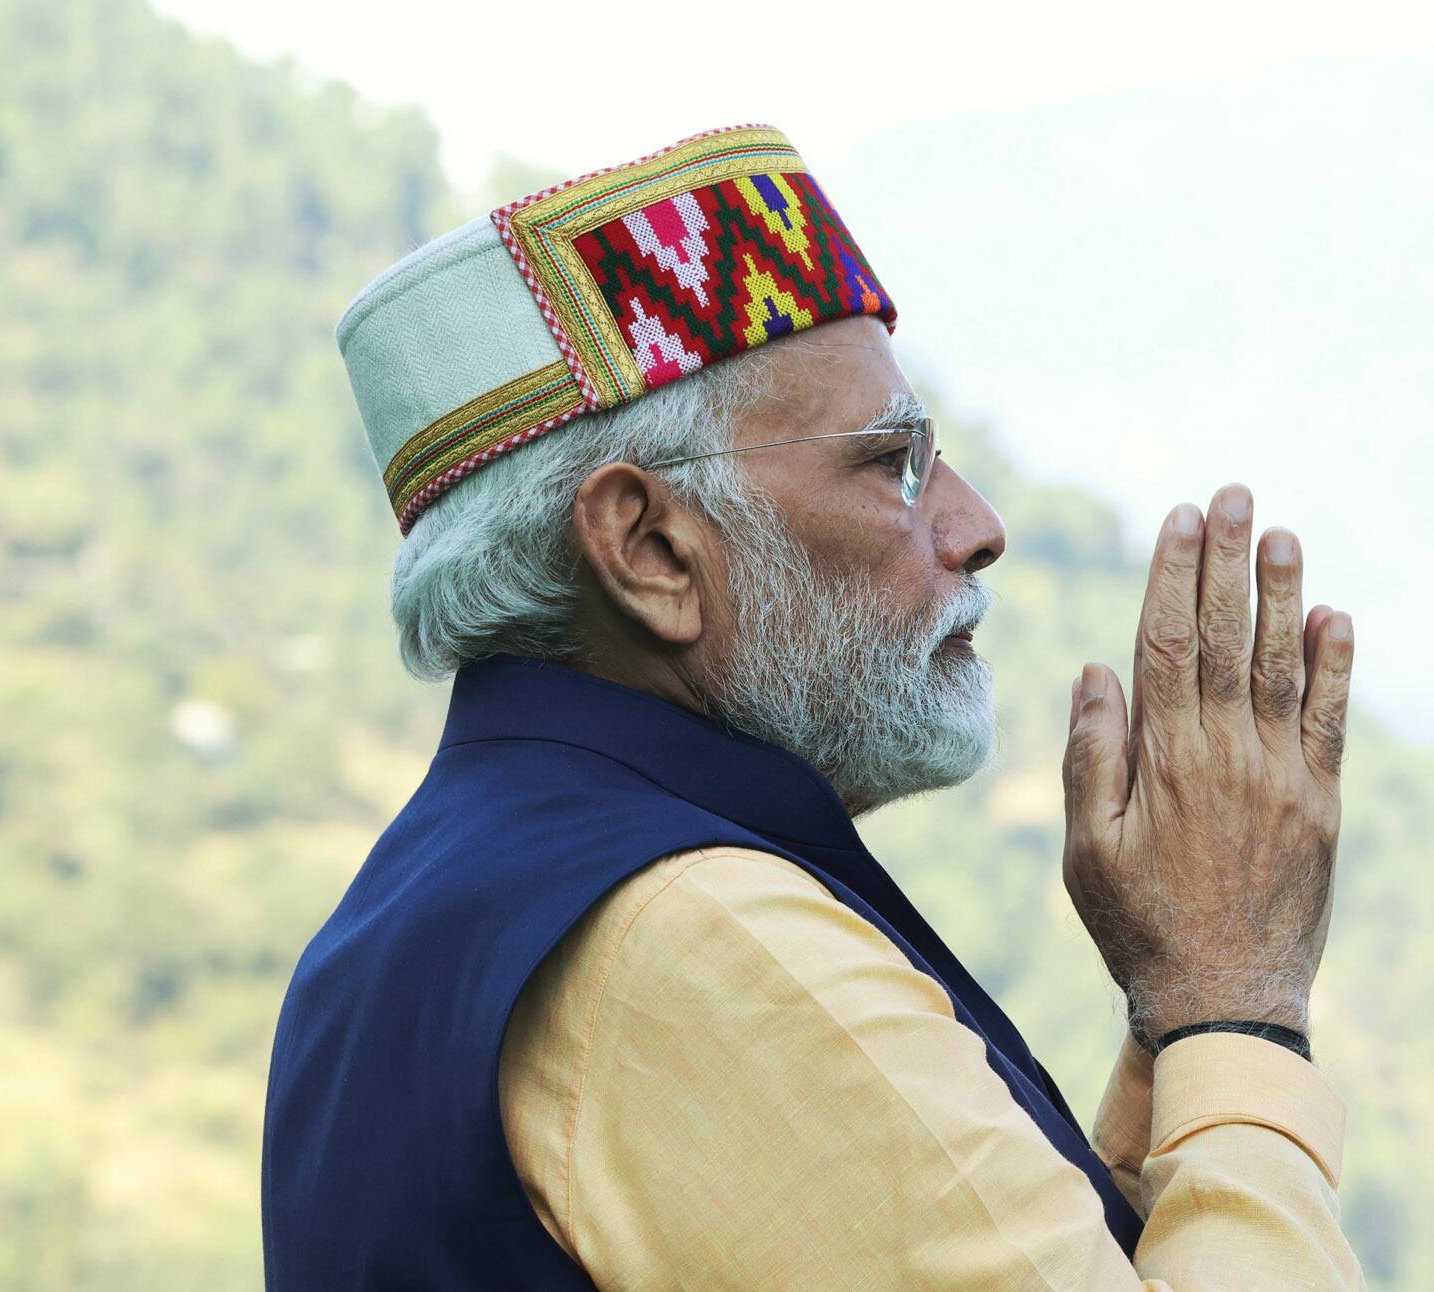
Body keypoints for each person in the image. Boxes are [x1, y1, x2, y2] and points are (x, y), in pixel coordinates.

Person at [262, 123, 1366, 1289]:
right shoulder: (694, 931)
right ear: (649, 548)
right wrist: (1236, 1006)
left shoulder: (439, 904)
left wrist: (1166, 1032)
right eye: (893, 461)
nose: (975, 521)